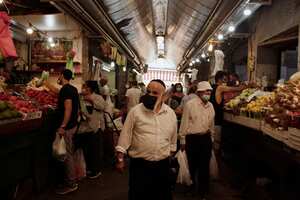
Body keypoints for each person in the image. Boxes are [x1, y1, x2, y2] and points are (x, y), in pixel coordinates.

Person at [115, 79, 178, 200]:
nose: (150, 95)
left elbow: (173, 139)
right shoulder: (135, 112)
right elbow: (125, 135)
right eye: (148, 91)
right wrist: (120, 158)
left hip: (162, 166)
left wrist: (167, 156)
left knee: (161, 195)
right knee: (138, 195)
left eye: (155, 93)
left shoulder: (170, 114)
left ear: (163, 96)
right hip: (140, 166)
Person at [179, 81, 215, 200]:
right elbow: (184, 123)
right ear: (199, 92)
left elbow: (212, 124)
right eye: (206, 91)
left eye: (209, 91)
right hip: (192, 139)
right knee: (192, 165)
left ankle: (203, 191)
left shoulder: (211, 106)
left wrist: (212, 138)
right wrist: (182, 140)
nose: (208, 93)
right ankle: (191, 188)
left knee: (204, 166)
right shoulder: (190, 104)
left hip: (206, 139)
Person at [51, 69, 83, 195]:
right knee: (68, 153)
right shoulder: (72, 89)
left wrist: (63, 126)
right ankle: (70, 180)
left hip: (68, 127)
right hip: (73, 125)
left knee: (67, 155)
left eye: (59, 75)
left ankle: (71, 183)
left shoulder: (66, 90)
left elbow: (68, 109)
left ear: (62, 76)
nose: (58, 78)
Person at [210, 71, 245, 152]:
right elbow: (237, 89)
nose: (225, 82)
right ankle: (214, 162)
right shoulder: (219, 87)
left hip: (212, 120)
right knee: (216, 145)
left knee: (213, 144)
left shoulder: (212, 88)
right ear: (219, 79)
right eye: (224, 79)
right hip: (217, 122)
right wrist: (245, 86)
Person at [80, 81, 106, 179]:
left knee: (95, 150)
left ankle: (96, 170)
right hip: (84, 127)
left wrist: (92, 101)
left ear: (90, 88)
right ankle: (89, 168)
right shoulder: (81, 97)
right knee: (88, 149)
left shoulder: (97, 97)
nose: (83, 88)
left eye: (85, 86)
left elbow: (103, 107)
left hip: (96, 127)